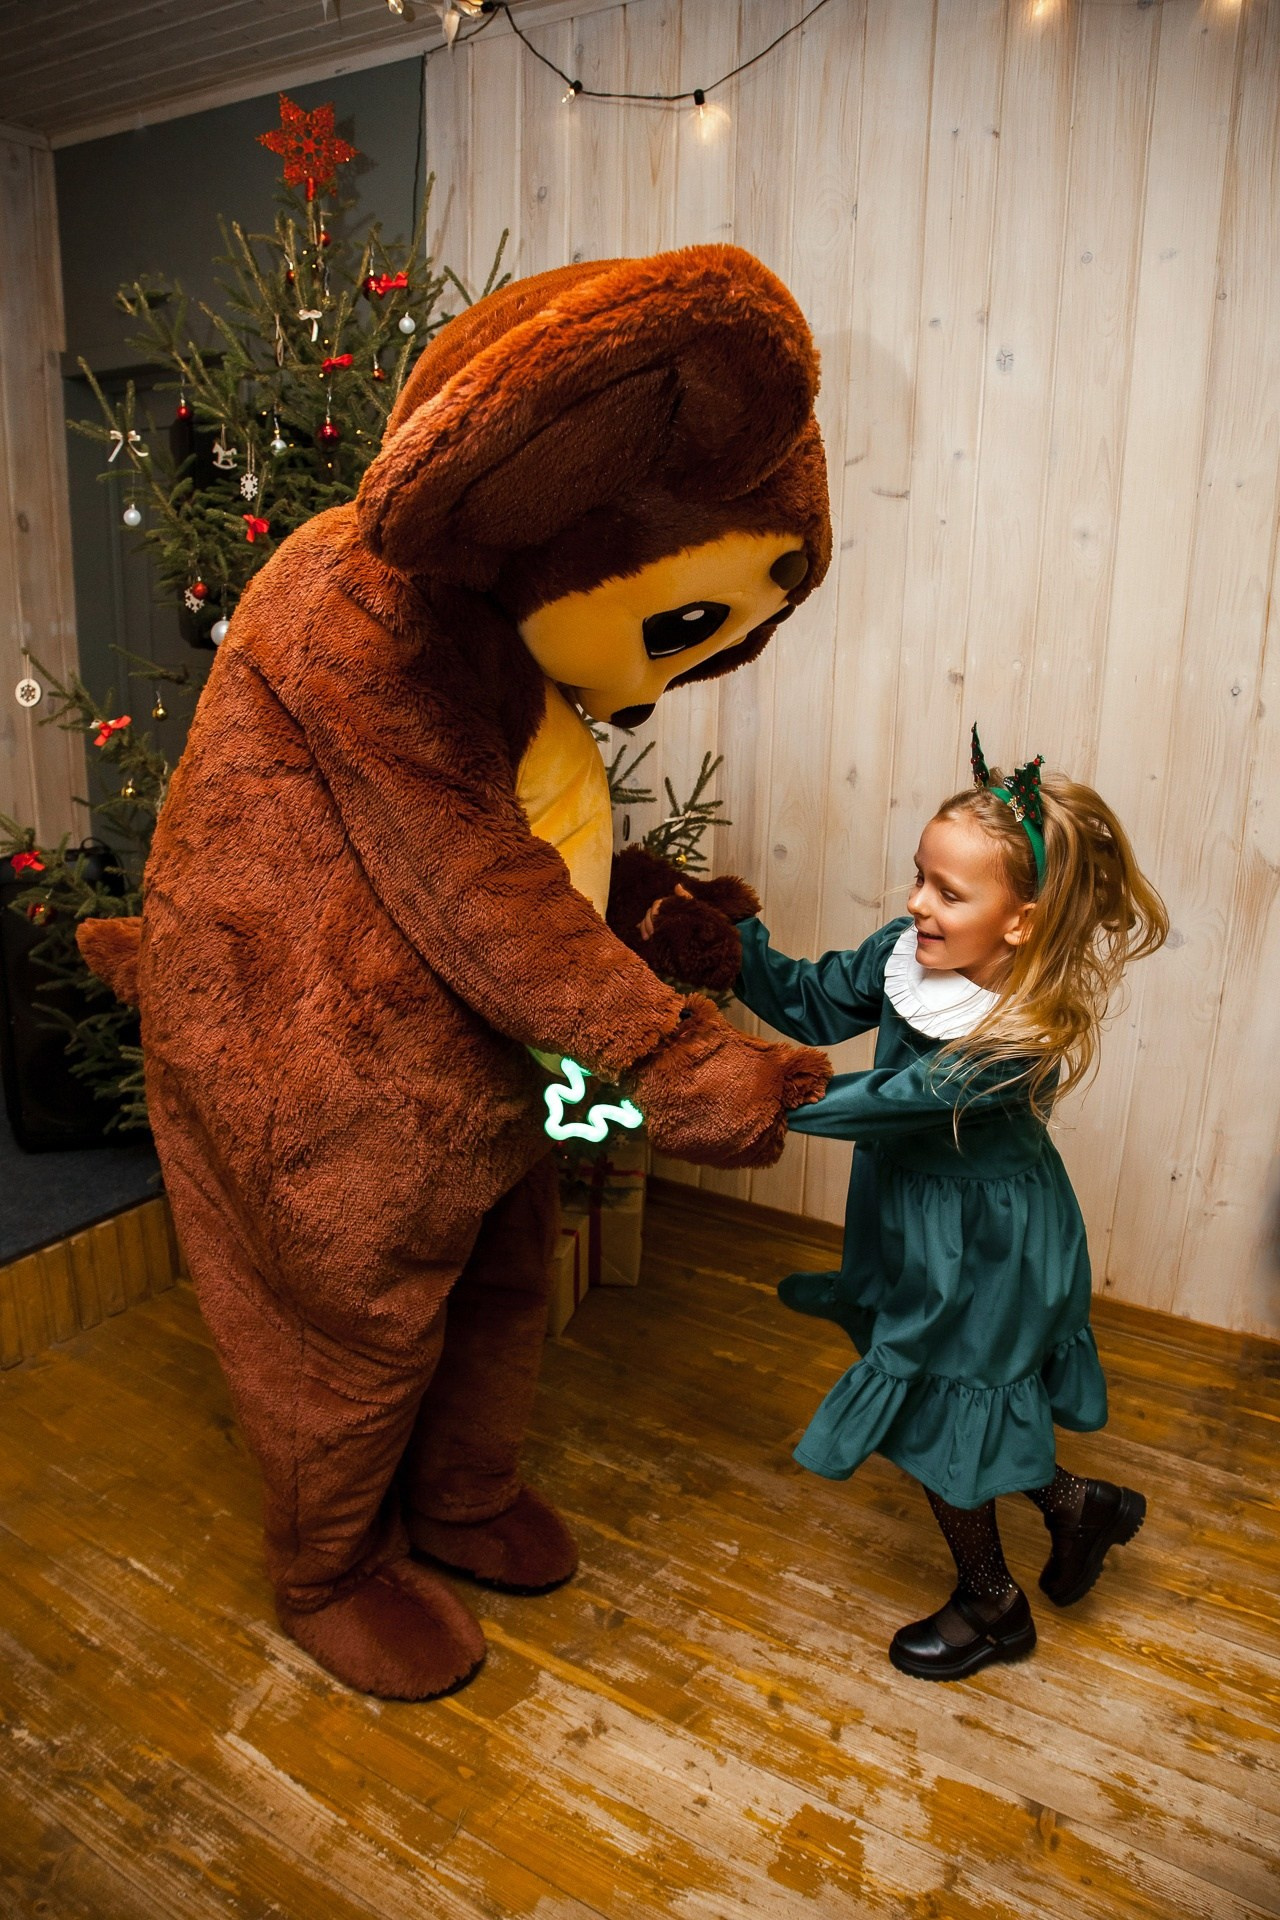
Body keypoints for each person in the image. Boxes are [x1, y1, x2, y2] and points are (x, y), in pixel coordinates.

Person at [645, 728, 1168, 1679]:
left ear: (1020, 920)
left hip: (994, 1243)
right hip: (916, 1220)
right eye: (919, 876)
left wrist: (746, 1092)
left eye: (948, 891)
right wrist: (731, 947)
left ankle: (992, 1606)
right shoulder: (905, 953)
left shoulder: (1019, 1034)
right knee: (941, 1393)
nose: (917, 902)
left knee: (940, 1412)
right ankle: (1077, 1505)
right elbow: (809, 1001)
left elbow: (890, 1103)